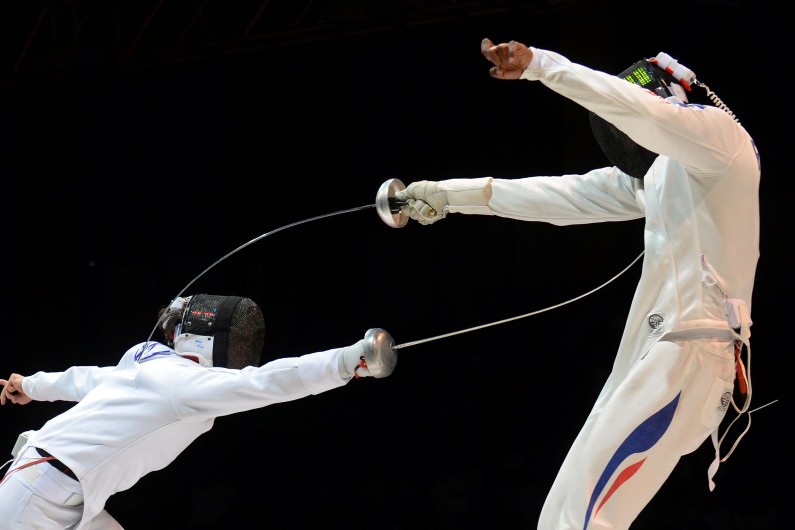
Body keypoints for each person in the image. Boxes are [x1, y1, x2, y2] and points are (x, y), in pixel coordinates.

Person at [394, 38, 760, 529]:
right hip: (654, 355)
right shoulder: (662, 175)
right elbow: (564, 196)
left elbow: (644, 116)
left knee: (586, 520)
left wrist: (542, 66)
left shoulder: (721, 140)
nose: (626, 139)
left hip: (690, 355)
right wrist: (451, 195)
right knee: (561, 517)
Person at [0, 293, 396, 529]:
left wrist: (32, 384)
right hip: (39, 497)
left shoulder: (147, 360)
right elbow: (264, 383)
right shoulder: (182, 384)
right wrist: (347, 361)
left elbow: (86, 379)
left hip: (53, 486)